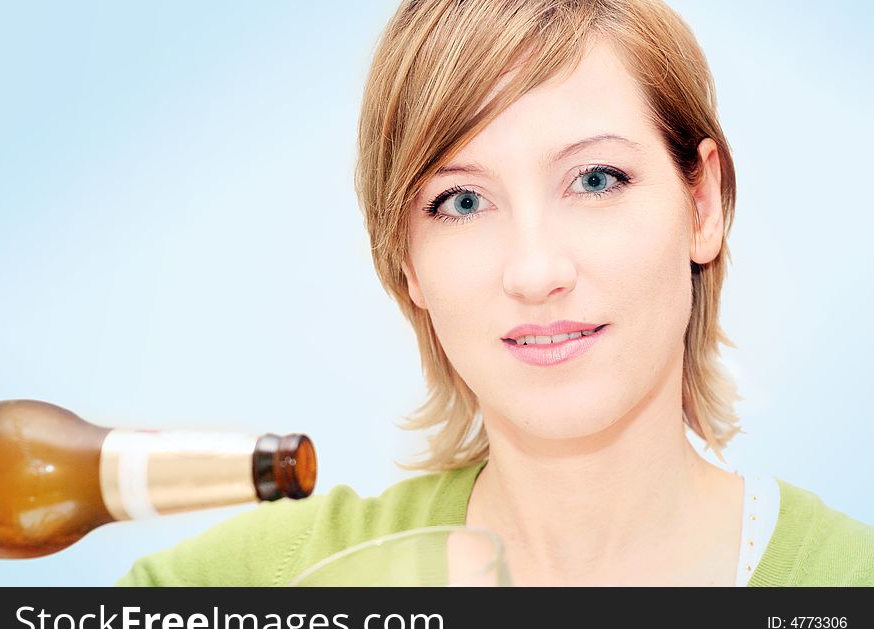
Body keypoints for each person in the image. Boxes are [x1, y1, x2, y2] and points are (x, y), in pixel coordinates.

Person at [116, 0, 874, 587]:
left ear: (701, 203)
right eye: (463, 202)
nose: (535, 269)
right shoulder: (258, 589)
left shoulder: (843, 585)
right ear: (406, 258)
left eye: (596, 179)